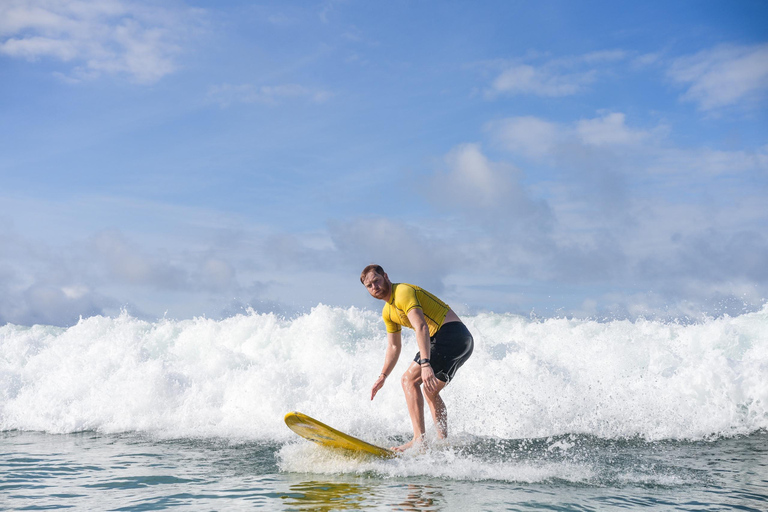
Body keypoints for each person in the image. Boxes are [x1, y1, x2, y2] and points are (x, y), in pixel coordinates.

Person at [361, 264, 474, 452]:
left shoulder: (403, 292)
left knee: (408, 380)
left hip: (449, 334)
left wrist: (426, 363)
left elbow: (421, 327)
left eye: (377, 281)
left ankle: (419, 440)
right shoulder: (388, 312)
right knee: (430, 391)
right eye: (369, 286)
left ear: (386, 276)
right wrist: (383, 376)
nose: (375, 287)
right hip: (463, 341)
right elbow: (394, 346)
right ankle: (442, 443)